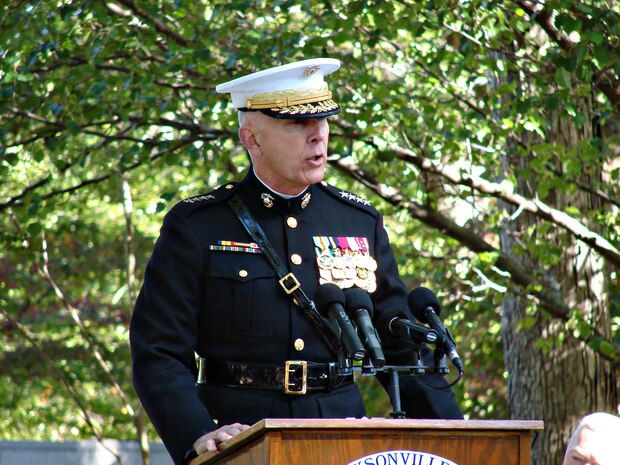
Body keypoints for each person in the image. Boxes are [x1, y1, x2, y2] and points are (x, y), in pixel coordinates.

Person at [130, 58, 462, 465]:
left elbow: (400, 346)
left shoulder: (357, 220)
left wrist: (454, 438)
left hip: (344, 435)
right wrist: (199, 433)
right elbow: (158, 351)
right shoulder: (198, 225)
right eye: (297, 125)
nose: (318, 136)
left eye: (323, 122)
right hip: (240, 437)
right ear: (252, 139)